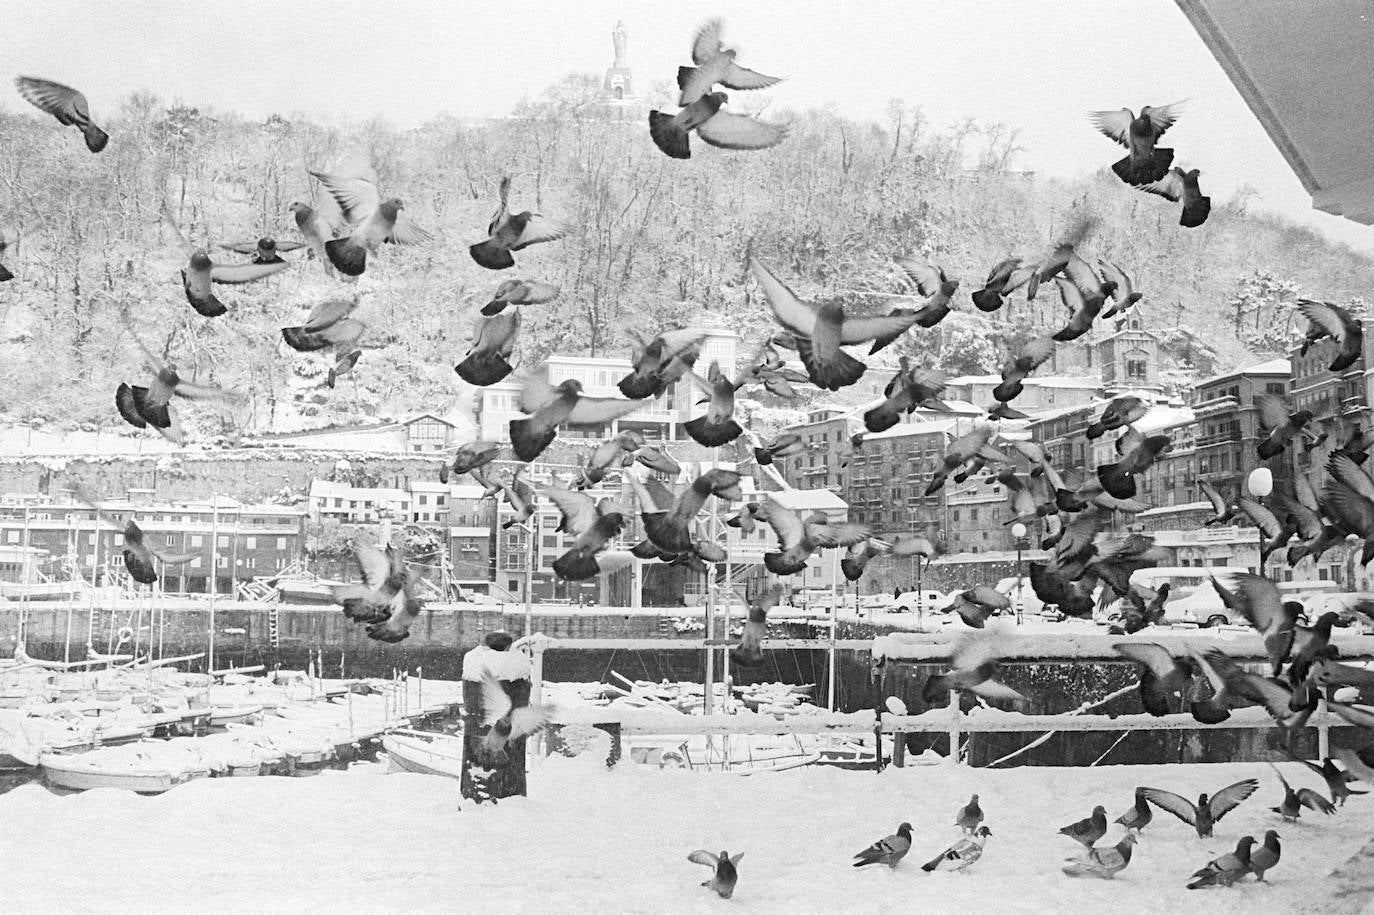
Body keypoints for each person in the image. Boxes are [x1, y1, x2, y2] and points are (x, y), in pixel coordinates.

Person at [460, 630, 533, 803]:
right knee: (507, 762)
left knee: (480, 767)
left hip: (480, 738)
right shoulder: (518, 666)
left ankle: (475, 796)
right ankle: (510, 798)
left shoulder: (473, 662)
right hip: (505, 745)